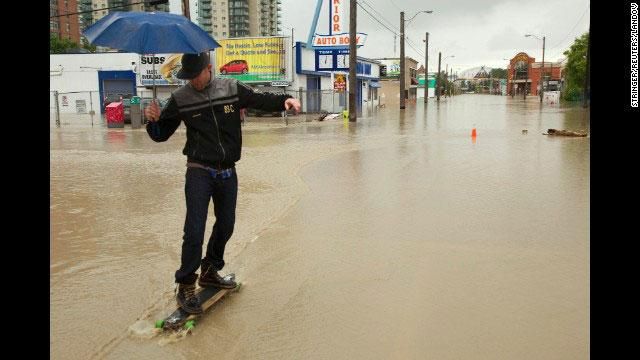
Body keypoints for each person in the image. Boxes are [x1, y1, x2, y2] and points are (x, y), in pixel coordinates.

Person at [144, 52, 301, 314]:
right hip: (198, 170)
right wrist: (152, 121)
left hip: (227, 170)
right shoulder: (180, 99)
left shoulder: (230, 88)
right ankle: (185, 285)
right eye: (188, 77)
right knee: (194, 228)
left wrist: (286, 99)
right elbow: (161, 135)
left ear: (209, 69)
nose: (193, 81)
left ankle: (209, 270)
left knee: (226, 224)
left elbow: (260, 99)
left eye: (197, 75)